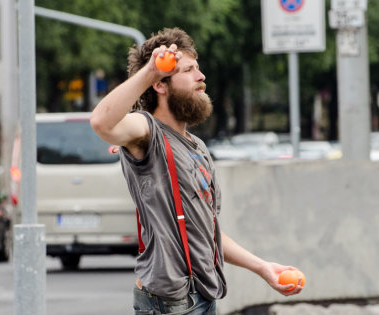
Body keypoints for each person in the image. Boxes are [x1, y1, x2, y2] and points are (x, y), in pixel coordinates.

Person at [90, 27, 303, 314]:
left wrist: (262, 267)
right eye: (189, 70)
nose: (201, 77)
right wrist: (150, 71)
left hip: (202, 296)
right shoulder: (147, 131)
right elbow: (101, 123)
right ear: (161, 85)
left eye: (198, 68)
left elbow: (207, 229)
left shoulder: (197, 147)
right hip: (169, 303)